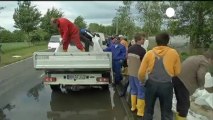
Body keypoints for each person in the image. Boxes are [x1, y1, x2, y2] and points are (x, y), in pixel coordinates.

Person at [138, 32, 181, 120]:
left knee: (148, 111)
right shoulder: (173, 53)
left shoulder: (149, 53)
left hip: (151, 85)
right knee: (166, 113)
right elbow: (177, 72)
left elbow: (141, 73)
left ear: (156, 41)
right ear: (167, 41)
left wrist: (142, 81)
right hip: (166, 86)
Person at [172, 45, 213, 120]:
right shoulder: (205, 62)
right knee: (184, 106)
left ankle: (178, 117)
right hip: (183, 82)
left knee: (181, 104)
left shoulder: (197, 57)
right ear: (210, 59)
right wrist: (201, 86)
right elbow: (200, 74)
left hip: (176, 79)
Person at [127, 33, 146, 117]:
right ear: (138, 40)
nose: (144, 40)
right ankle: (140, 111)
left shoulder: (130, 48)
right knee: (141, 92)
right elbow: (144, 64)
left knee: (133, 90)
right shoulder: (142, 51)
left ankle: (133, 107)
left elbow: (127, 60)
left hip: (131, 73)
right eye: (143, 39)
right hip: (138, 74)